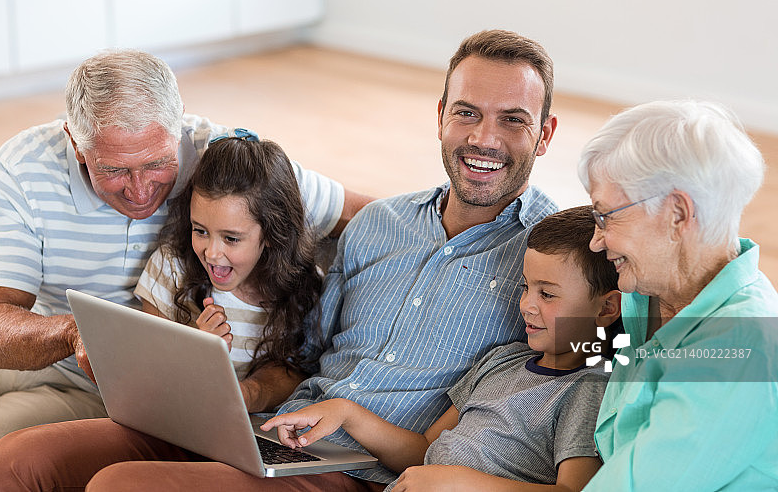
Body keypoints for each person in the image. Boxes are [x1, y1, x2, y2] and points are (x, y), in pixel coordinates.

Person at [0, 29, 560, 491]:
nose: (484, 138)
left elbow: (612, 360)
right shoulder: (382, 224)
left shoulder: (559, 258)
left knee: (121, 486)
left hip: (365, 465)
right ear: (440, 116)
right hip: (270, 426)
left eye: (513, 119)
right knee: (17, 460)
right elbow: (304, 353)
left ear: (546, 134)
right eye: (466, 112)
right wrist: (244, 395)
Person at [0, 49, 370, 460]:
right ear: (77, 144)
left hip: (94, 391)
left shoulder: (224, 162)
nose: (140, 189)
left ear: (178, 121)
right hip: (32, 345)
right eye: (114, 170)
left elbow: (371, 215)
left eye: (157, 163)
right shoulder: (25, 168)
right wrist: (82, 331)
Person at [264, 206, 620, 492]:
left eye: (548, 294)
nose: (527, 304)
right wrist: (346, 413)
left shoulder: (589, 388)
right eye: (526, 287)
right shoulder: (502, 361)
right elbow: (423, 450)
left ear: (605, 309)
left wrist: (457, 481)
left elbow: (574, 489)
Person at [573, 100, 778, 490]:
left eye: (606, 216)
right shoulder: (644, 291)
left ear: (678, 214)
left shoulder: (742, 348)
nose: (596, 241)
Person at [135, 135, 322, 378]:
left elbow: (298, 374)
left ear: (272, 233)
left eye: (231, 239)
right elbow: (146, 374)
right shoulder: (170, 267)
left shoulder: (303, 286)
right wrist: (192, 350)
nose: (211, 253)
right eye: (200, 231)